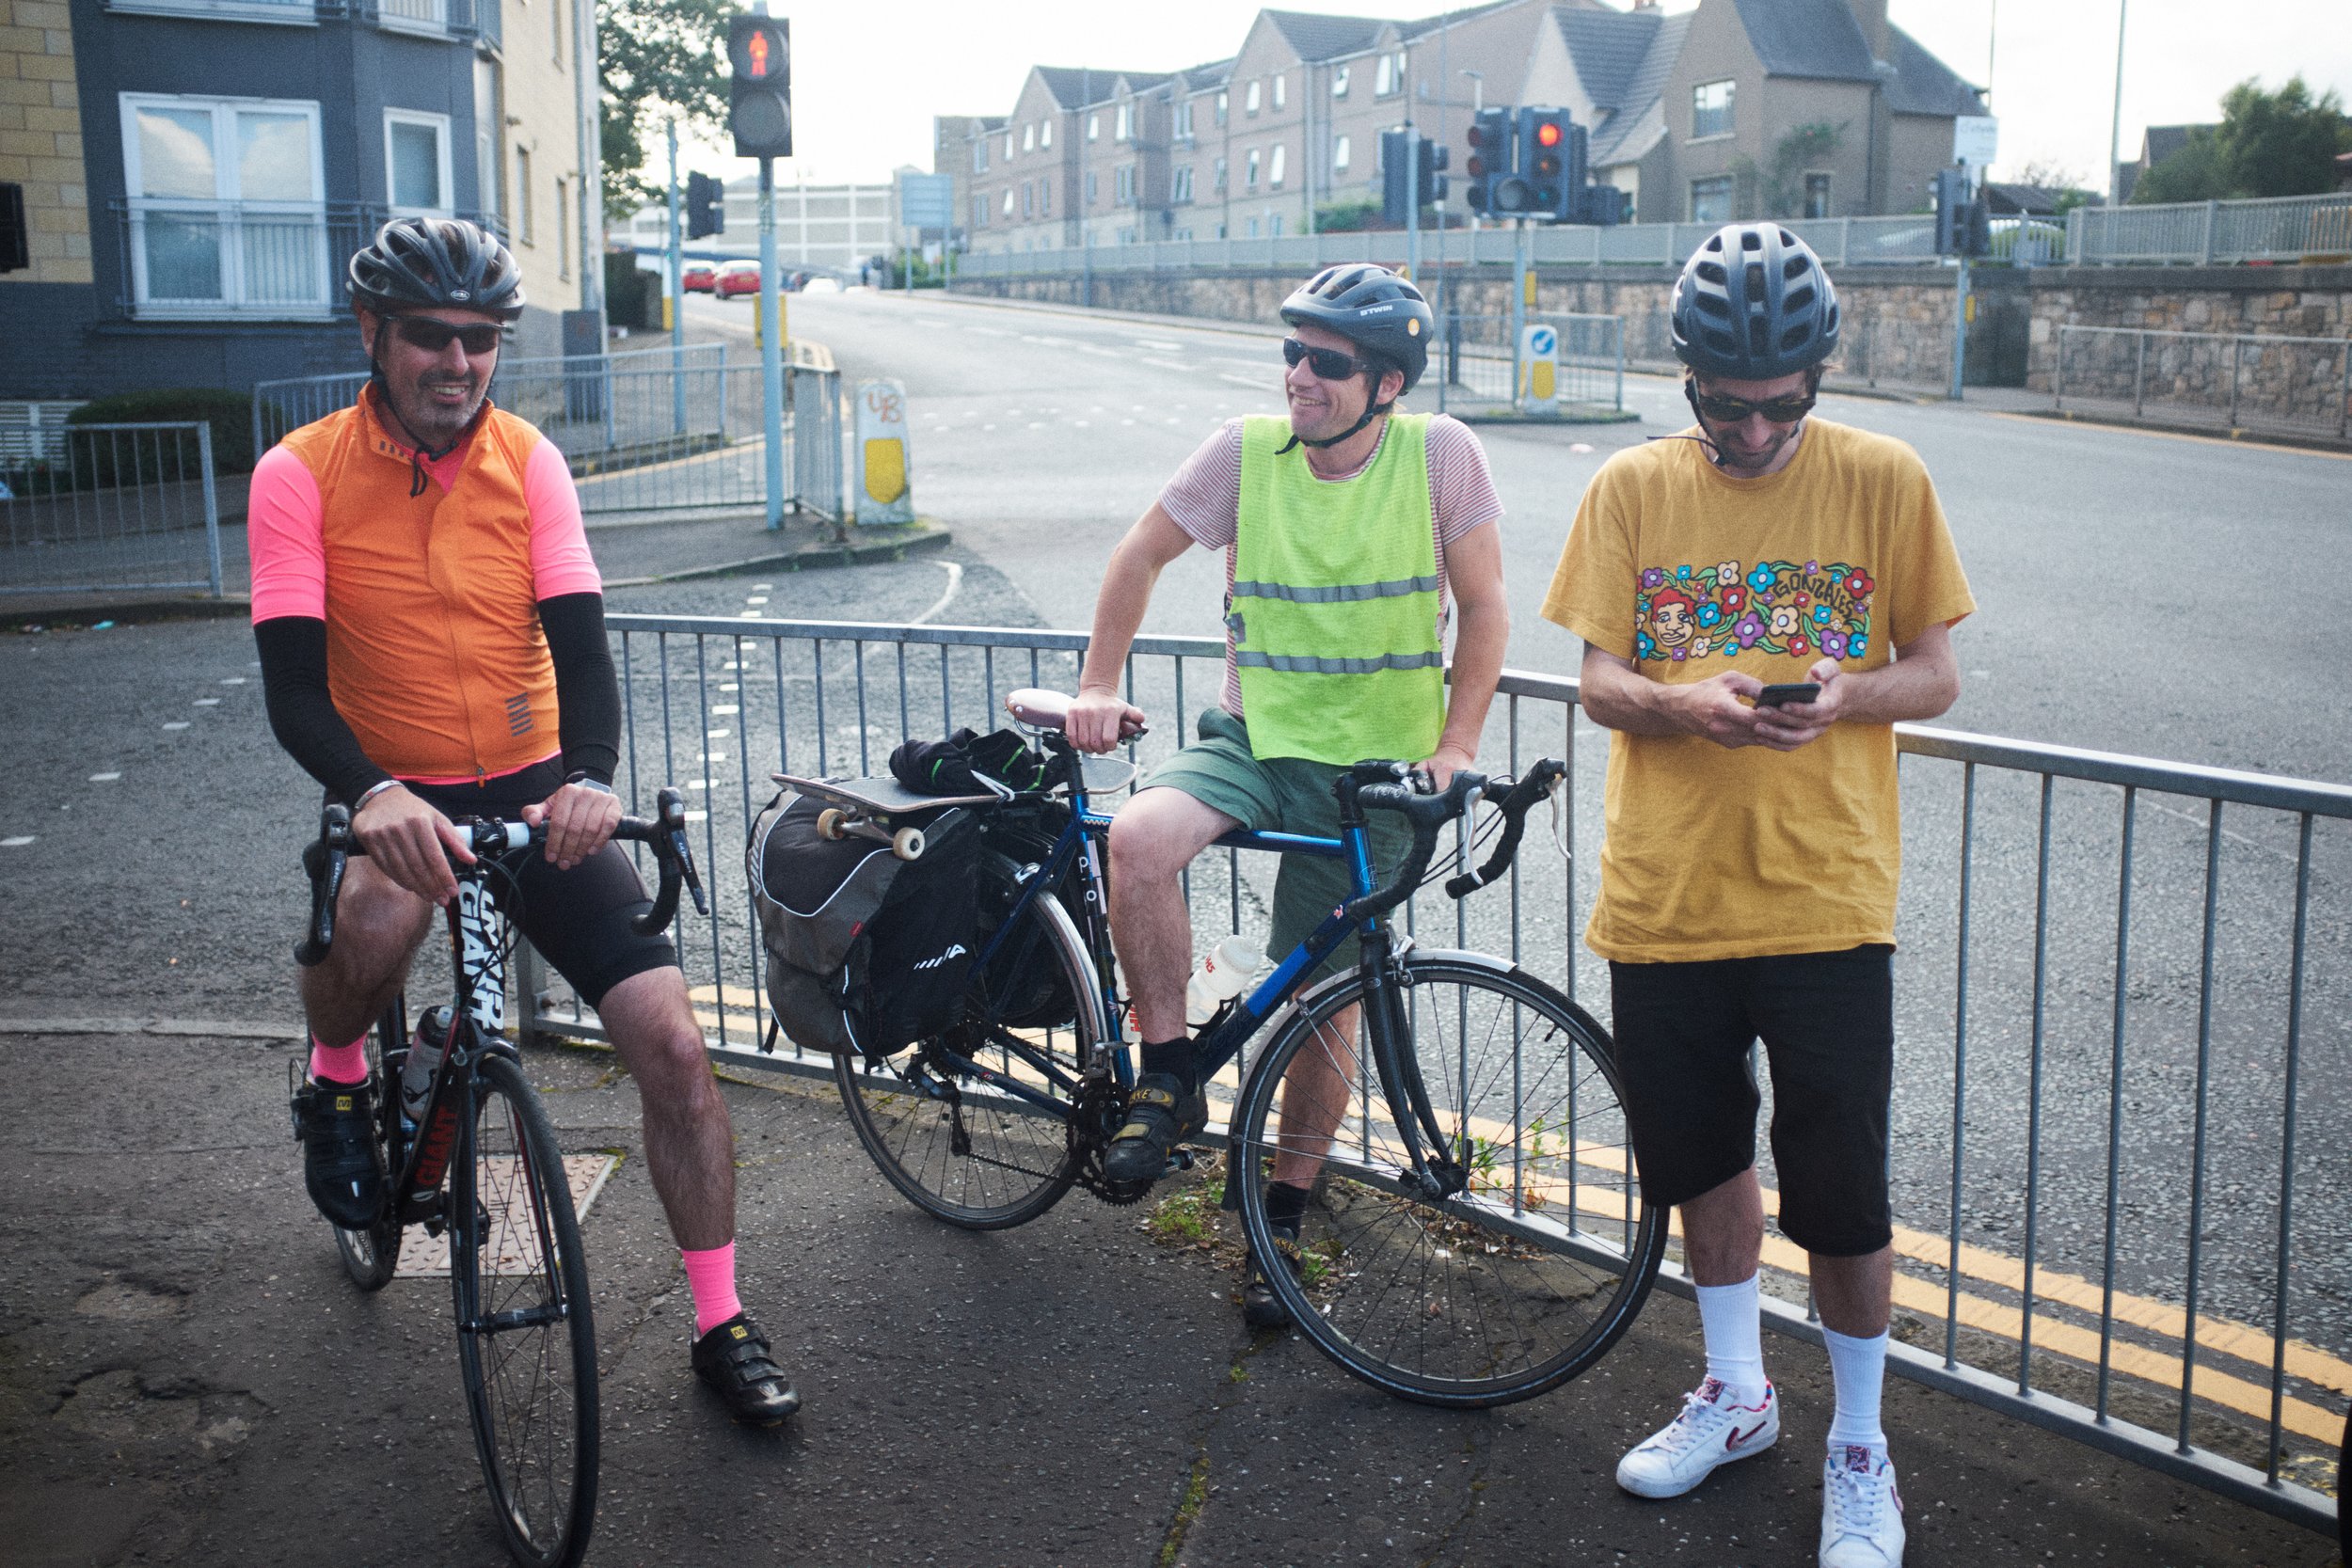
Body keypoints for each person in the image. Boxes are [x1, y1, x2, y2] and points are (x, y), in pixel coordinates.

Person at [251, 217, 798, 1426]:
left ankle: (721, 1317)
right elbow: (293, 688)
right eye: (432, 338)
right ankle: (340, 1073)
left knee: (674, 1045)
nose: (458, 362)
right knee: (375, 914)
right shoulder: (299, 472)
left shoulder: (530, 461)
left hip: (534, 781)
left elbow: (582, 648)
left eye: (482, 341)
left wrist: (591, 776)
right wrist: (372, 791)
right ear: (373, 336)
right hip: (392, 784)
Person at [1542, 223, 1974, 1568]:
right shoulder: (1629, 488)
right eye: (1725, 405)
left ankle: (1861, 1442)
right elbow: (1598, 680)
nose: (1754, 429)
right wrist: (1683, 704)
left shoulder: (1885, 478)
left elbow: (1937, 672)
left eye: (1782, 403)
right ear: (1687, 382)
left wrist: (1845, 693)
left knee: (1839, 1188)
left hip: (1829, 901)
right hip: (1667, 901)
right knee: (1702, 1163)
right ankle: (1736, 1394)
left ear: (1818, 376)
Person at [1064, 262, 1509, 1326]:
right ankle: (1168, 1072)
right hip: (1256, 740)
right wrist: (1096, 682)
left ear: (1387, 383)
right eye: (1292, 353)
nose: (1299, 376)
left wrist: (1454, 747)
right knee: (1138, 836)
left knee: (1323, 1005)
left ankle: (1282, 1215)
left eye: (1327, 361)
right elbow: (1140, 551)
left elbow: (1487, 608)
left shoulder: (1441, 455)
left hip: (1377, 773)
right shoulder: (1243, 451)